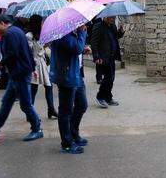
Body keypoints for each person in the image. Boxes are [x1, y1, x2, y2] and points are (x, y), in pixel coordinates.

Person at [0, 15, 43, 142]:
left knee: (25, 104)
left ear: (2, 23)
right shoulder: (17, 31)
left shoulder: (10, 34)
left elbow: (12, 54)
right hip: (18, 72)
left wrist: (2, 63)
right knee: (7, 101)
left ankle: (37, 128)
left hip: (20, 73)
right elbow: (24, 52)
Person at [51, 26, 89, 154]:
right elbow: (75, 48)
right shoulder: (63, 32)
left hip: (76, 73)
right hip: (67, 76)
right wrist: (82, 33)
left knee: (82, 105)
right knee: (65, 111)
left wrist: (83, 47)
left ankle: (73, 134)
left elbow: (76, 49)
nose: (84, 23)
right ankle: (66, 143)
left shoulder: (70, 32)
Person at [27, 15, 57, 119]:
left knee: (48, 86)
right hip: (35, 64)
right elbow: (29, 53)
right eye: (41, 22)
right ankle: (29, 112)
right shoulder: (29, 36)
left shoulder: (41, 34)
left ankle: (51, 109)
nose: (42, 24)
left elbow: (43, 47)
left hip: (42, 63)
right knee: (34, 87)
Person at [91, 16, 124, 108]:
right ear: (105, 17)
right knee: (108, 78)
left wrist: (120, 31)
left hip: (111, 57)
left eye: (114, 17)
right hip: (103, 57)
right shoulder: (98, 26)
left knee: (111, 78)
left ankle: (108, 97)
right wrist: (96, 56)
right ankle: (100, 97)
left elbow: (116, 36)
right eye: (111, 17)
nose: (113, 19)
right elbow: (94, 42)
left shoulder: (112, 26)